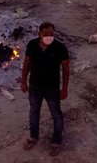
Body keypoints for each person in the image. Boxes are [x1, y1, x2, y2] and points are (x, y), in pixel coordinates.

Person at [20, 22, 70, 155]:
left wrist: (64, 89)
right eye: (46, 35)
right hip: (35, 86)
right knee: (34, 111)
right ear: (39, 34)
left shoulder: (60, 47)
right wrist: (23, 81)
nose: (49, 37)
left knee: (56, 114)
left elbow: (65, 69)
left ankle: (56, 141)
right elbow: (26, 64)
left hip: (52, 88)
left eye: (51, 34)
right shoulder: (32, 45)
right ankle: (33, 137)